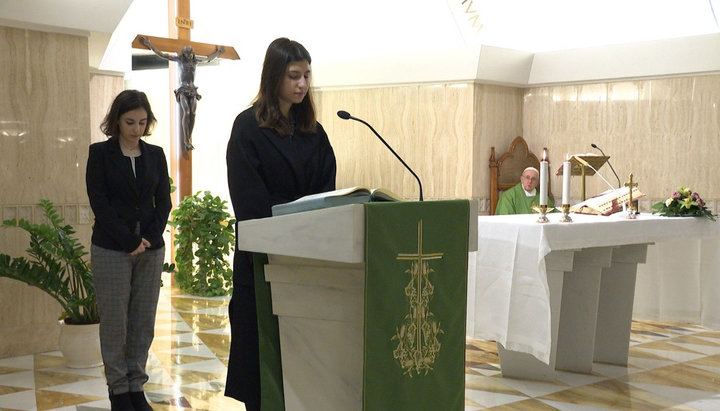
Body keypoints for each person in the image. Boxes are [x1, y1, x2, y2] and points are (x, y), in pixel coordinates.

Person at [225, 37, 337, 410]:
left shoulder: (314, 133)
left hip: (306, 265)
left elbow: (327, 191)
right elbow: (250, 203)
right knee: (262, 368)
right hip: (263, 263)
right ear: (274, 76)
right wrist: (296, 221)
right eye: (294, 75)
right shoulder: (247, 128)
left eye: (307, 75)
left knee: (303, 367)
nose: (303, 84)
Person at [86, 90, 172, 411]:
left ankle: (136, 385)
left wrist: (148, 237)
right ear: (117, 120)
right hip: (111, 248)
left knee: (142, 320)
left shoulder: (156, 155)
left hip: (151, 248)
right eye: (130, 122)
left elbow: (163, 202)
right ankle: (118, 390)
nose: (137, 129)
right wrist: (128, 241)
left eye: (142, 122)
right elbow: (100, 203)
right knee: (115, 321)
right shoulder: (100, 154)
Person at [140, 36, 225, 151]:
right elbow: (163, 55)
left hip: (193, 90)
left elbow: (208, 58)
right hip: (183, 89)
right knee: (187, 111)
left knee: (193, 113)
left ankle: (188, 138)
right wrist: (150, 45)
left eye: (190, 53)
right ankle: (186, 140)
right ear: (184, 53)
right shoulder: (179, 60)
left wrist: (218, 52)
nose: (189, 55)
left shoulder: (196, 61)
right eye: (187, 53)